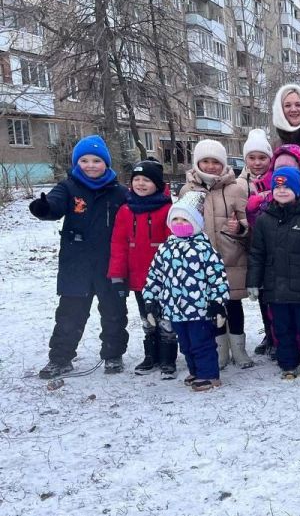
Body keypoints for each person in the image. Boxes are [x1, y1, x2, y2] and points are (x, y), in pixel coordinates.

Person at [29, 135, 128, 378]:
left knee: (114, 312)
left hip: (110, 263)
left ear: (106, 163)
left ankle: (113, 355)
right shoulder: (68, 187)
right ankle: (60, 358)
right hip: (77, 264)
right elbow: (54, 205)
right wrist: (44, 208)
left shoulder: (119, 192)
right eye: (84, 160)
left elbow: (137, 211)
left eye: (96, 160)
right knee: (69, 314)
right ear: (76, 163)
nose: (91, 165)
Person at [246, 167, 300, 379]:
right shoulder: (264, 220)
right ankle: (288, 364)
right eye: (278, 186)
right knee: (282, 329)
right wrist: (253, 282)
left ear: (297, 189)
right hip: (276, 289)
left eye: (287, 186)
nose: (282, 190)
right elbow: (257, 254)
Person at [142, 191, 229, 392]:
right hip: (175, 309)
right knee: (186, 344)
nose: (180, 223)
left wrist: (218, 303)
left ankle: (209, 374)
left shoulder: (204, 249)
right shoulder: (165, 248)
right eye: (176, 219)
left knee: (202, 342)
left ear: (197, 223)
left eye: (185, 219)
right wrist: (150, 300)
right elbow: (155, 275)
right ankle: (195, 371)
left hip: (200, 309)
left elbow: (217, 278)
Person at [180, 139, 252, 369]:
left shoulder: (236, 188)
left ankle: (239, 350)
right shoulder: (188, 189)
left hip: (232, 258)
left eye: (216, 162)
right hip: (202, 261)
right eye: (206, 161)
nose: (211, 166)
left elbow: (247, 221)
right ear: (197, 162)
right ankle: (221, 350)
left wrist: (239, 228)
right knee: (213, 306)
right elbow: (181, 222)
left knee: (233, 305)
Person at [107, 158, 176, 377]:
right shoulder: (126, 211)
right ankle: (151, 356)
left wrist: (174, 274)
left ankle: (167, 358)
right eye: (136, 179)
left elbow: (174, 243)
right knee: (148, 317)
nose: (141, 184)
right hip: (138, 279)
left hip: (163, 278)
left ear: (157, 183)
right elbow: (118, 244)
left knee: (165, 319)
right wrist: (117, 275)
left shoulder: (167, 209)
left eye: (146, 179)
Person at [238, 129, 275, 357]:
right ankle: (269, 334)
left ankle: (277, 333)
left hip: (275, 246)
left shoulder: (276, 181)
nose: (257, 162)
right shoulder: (239, 184)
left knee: (275, 294)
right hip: (252, 246)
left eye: (262, 158)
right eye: (252, 158)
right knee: (261, 294)